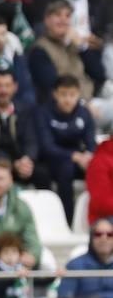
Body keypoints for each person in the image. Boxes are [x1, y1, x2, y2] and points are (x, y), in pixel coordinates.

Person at [41, 75, 99, 221]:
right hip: (52, 159)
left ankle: (99, 216)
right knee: (65, 169)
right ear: (55, 94)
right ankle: (68, 219)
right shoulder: (44, 112)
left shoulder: (84, 113)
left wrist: (89, 156)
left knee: (99, 167)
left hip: (78, 158)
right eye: (63, 94)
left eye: (72, 95)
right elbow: (47, 146)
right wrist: (74, 156)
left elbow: (91, 141)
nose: (67, 99)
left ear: (78, 94)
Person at [28, 0, 99, 109]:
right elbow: (52, 87)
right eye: (58, 15)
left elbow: (99, 74)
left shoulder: (74, 45)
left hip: (91, 98)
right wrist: (82, 106)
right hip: (68, 106)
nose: (63, 20)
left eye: (67, 16)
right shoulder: (39, 50)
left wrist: (82, 47)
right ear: (47, 20)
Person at [53, 218, 113, 298]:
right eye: (98, 234)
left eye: (109, 234)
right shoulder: (75, 265)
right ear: (91, 238)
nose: (104, 238)